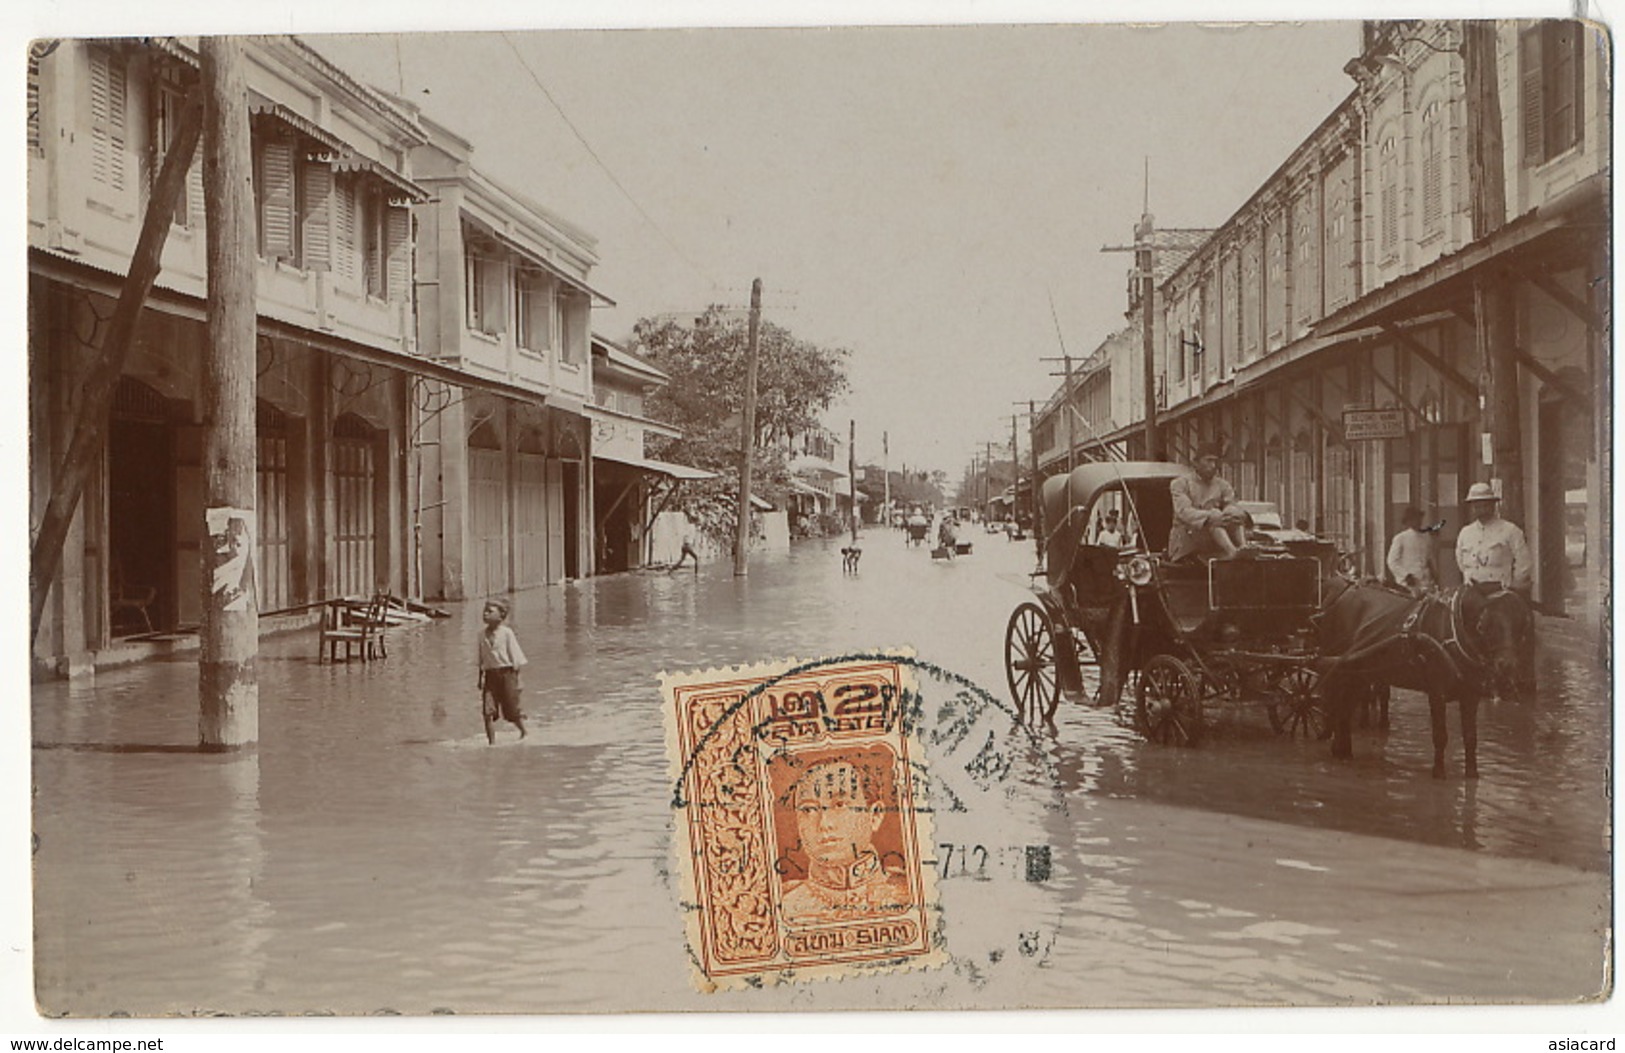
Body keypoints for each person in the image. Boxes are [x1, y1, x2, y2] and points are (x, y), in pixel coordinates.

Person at [779, 759, 912, 925]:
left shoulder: (910, 894)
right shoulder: (783, 906)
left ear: (875, 815)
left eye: (839, 805)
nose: (824, 824)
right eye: (808, 809)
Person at [1167, 443, 1247, 562]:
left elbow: (1231, 503)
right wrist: (1211, 515)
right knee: (1214, 518)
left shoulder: (1223, 485)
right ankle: (1232, 551)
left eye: (1216, 461)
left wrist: (1230, 513)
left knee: (1235, 517)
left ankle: (1243, 548)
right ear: (1196, 463)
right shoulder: (1180, 484)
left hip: (1215, 544)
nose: (1213, 465)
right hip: (1187, 546)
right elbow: (1184, 512)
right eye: (1208, 461)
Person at [1456, 482, 1532, 597]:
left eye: (1485, 505)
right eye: (1476, 505)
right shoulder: (1465, 533)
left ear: (1493, 505)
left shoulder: (1510, 531)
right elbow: (1461, 564)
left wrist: (1511, 586)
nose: (1481, 509)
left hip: (1500, 595)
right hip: (1472, 596)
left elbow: (1524, 563)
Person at [477, 598, 528, 745]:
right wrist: (480, 678)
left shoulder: (507, 633)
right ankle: (491, 743)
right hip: (490, 677)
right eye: (484, 611)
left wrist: (518, 680)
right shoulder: (481, 635)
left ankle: (523, 731)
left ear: (501, 616)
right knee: (487, 712)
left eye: (490, 612)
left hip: (507, 674)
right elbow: (481, 659)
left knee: (511, 711)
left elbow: (516, 658)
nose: (485, 614)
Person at [1386, 507, 1437, 596]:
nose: (1418, 521)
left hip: (1425, 582)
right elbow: (1392, 561)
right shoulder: (1400, 538)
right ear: (1408, 521)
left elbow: (1430, 558)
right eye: (1414, 519)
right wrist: (1406, 575)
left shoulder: (1426, 537)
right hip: (1408, 584)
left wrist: (1435, 575)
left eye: (1419, 518)